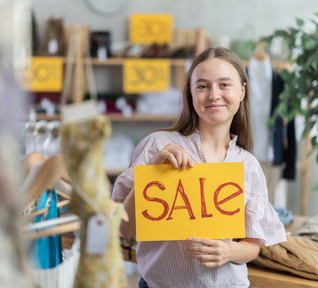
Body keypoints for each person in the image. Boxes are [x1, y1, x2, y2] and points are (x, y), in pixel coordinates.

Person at [112, 47, 287, 288]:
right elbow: (124, 227)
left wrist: (228, 251)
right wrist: (151, 172)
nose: (214, 95)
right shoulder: (157, 146)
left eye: (224, 84)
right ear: (191, 93)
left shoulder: (249, 165)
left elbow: (252, 246)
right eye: (202, 86)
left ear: (242, 91)